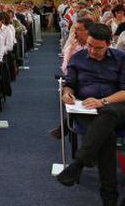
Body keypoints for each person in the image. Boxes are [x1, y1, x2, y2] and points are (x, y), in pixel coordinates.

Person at [57, 23, 125, 206]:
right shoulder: (78, 58)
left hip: (116, 105)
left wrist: (103, 101)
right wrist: (67, 94)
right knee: (107, 137)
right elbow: (69, 83)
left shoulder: (121, 58)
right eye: (90, 46)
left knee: (109, 113)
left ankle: (78, 163)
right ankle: (109, 196)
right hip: (85, 108)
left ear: (109, 44)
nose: (93, 51)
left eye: (99, 48)